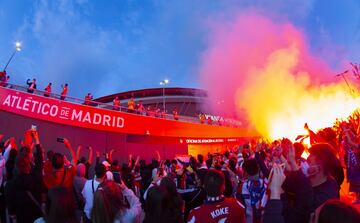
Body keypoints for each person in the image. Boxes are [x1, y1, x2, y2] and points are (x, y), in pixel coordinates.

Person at [5, 130, 44, 223]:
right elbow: (39, 162)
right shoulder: (36, 178)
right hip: (37, 218)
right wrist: (36, 140)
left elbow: (12, 213)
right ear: (29, 165)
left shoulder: (9, 185)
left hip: (21, 219)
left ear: (16, 165)